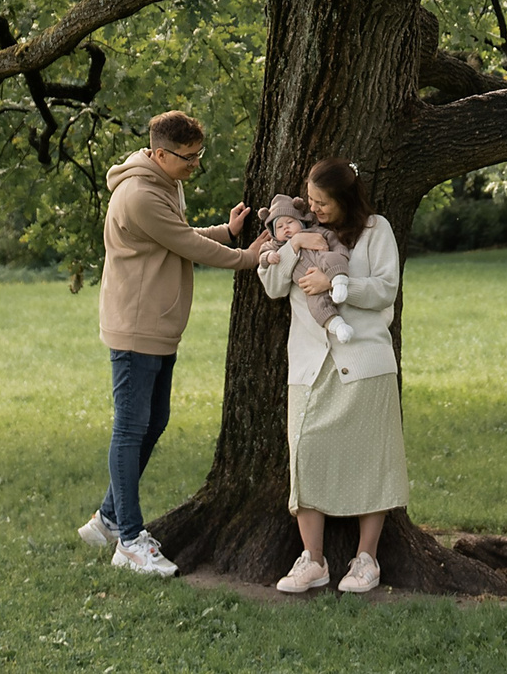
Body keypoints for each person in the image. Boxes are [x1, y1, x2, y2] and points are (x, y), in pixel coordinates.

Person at [79, 110, 263, 577]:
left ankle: (105, 518)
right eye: (188, 157)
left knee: (154, 421)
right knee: (130, 429)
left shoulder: (165, 182)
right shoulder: (139, 193)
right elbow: (186, 244)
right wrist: (245, 257)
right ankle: (129, 541)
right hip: (136, 327)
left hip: (158, 324)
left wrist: (226, 233)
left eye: (199, 155)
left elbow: (176, 239)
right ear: (160, 154)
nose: (194, 166)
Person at [258, 158, 407, 596]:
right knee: (305, 455)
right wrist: (295, 242)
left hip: (365, 361)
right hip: (309, 364)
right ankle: (314, 560)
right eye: (312, 199)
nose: (316, 208)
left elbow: (386, 288)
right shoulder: (293, 229)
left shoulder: (376, 231)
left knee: (372, 460)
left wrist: (336, 286)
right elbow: (270, 283)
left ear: (345, 199)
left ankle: (366, 559)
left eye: (324, 203)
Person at [260, 193, 354, 343]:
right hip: (310, 288)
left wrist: (339, 261)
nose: (286, 228)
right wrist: (270, 256)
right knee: (317, 306)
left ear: (301, 222)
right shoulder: (275, 248)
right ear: (273, 232)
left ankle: (339, 283)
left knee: (331, 258)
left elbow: (336, 246)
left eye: (290, 222)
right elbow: (263, 258)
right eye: (279, 226)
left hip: (326, 264)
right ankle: (338, 326)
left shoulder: (317, 232)